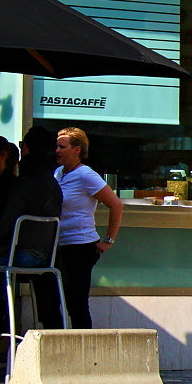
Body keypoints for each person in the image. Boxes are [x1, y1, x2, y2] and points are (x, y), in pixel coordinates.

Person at [0, 127, 63, 339]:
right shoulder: (52, 181)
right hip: (43, 256)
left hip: (18, 253)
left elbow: (6, 225)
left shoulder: (24, 181)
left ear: (25, 147)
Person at [54, 126, 123, 329]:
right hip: (60, 244)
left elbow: (115, 204)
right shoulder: (58, 173)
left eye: (62, 146)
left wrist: (108, 239)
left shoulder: (86, 175)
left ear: (76, 150)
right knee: (62, 299)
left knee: (77, 303)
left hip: (80, 245)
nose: (57, 150)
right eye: (57, 146)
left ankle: (83, 347)